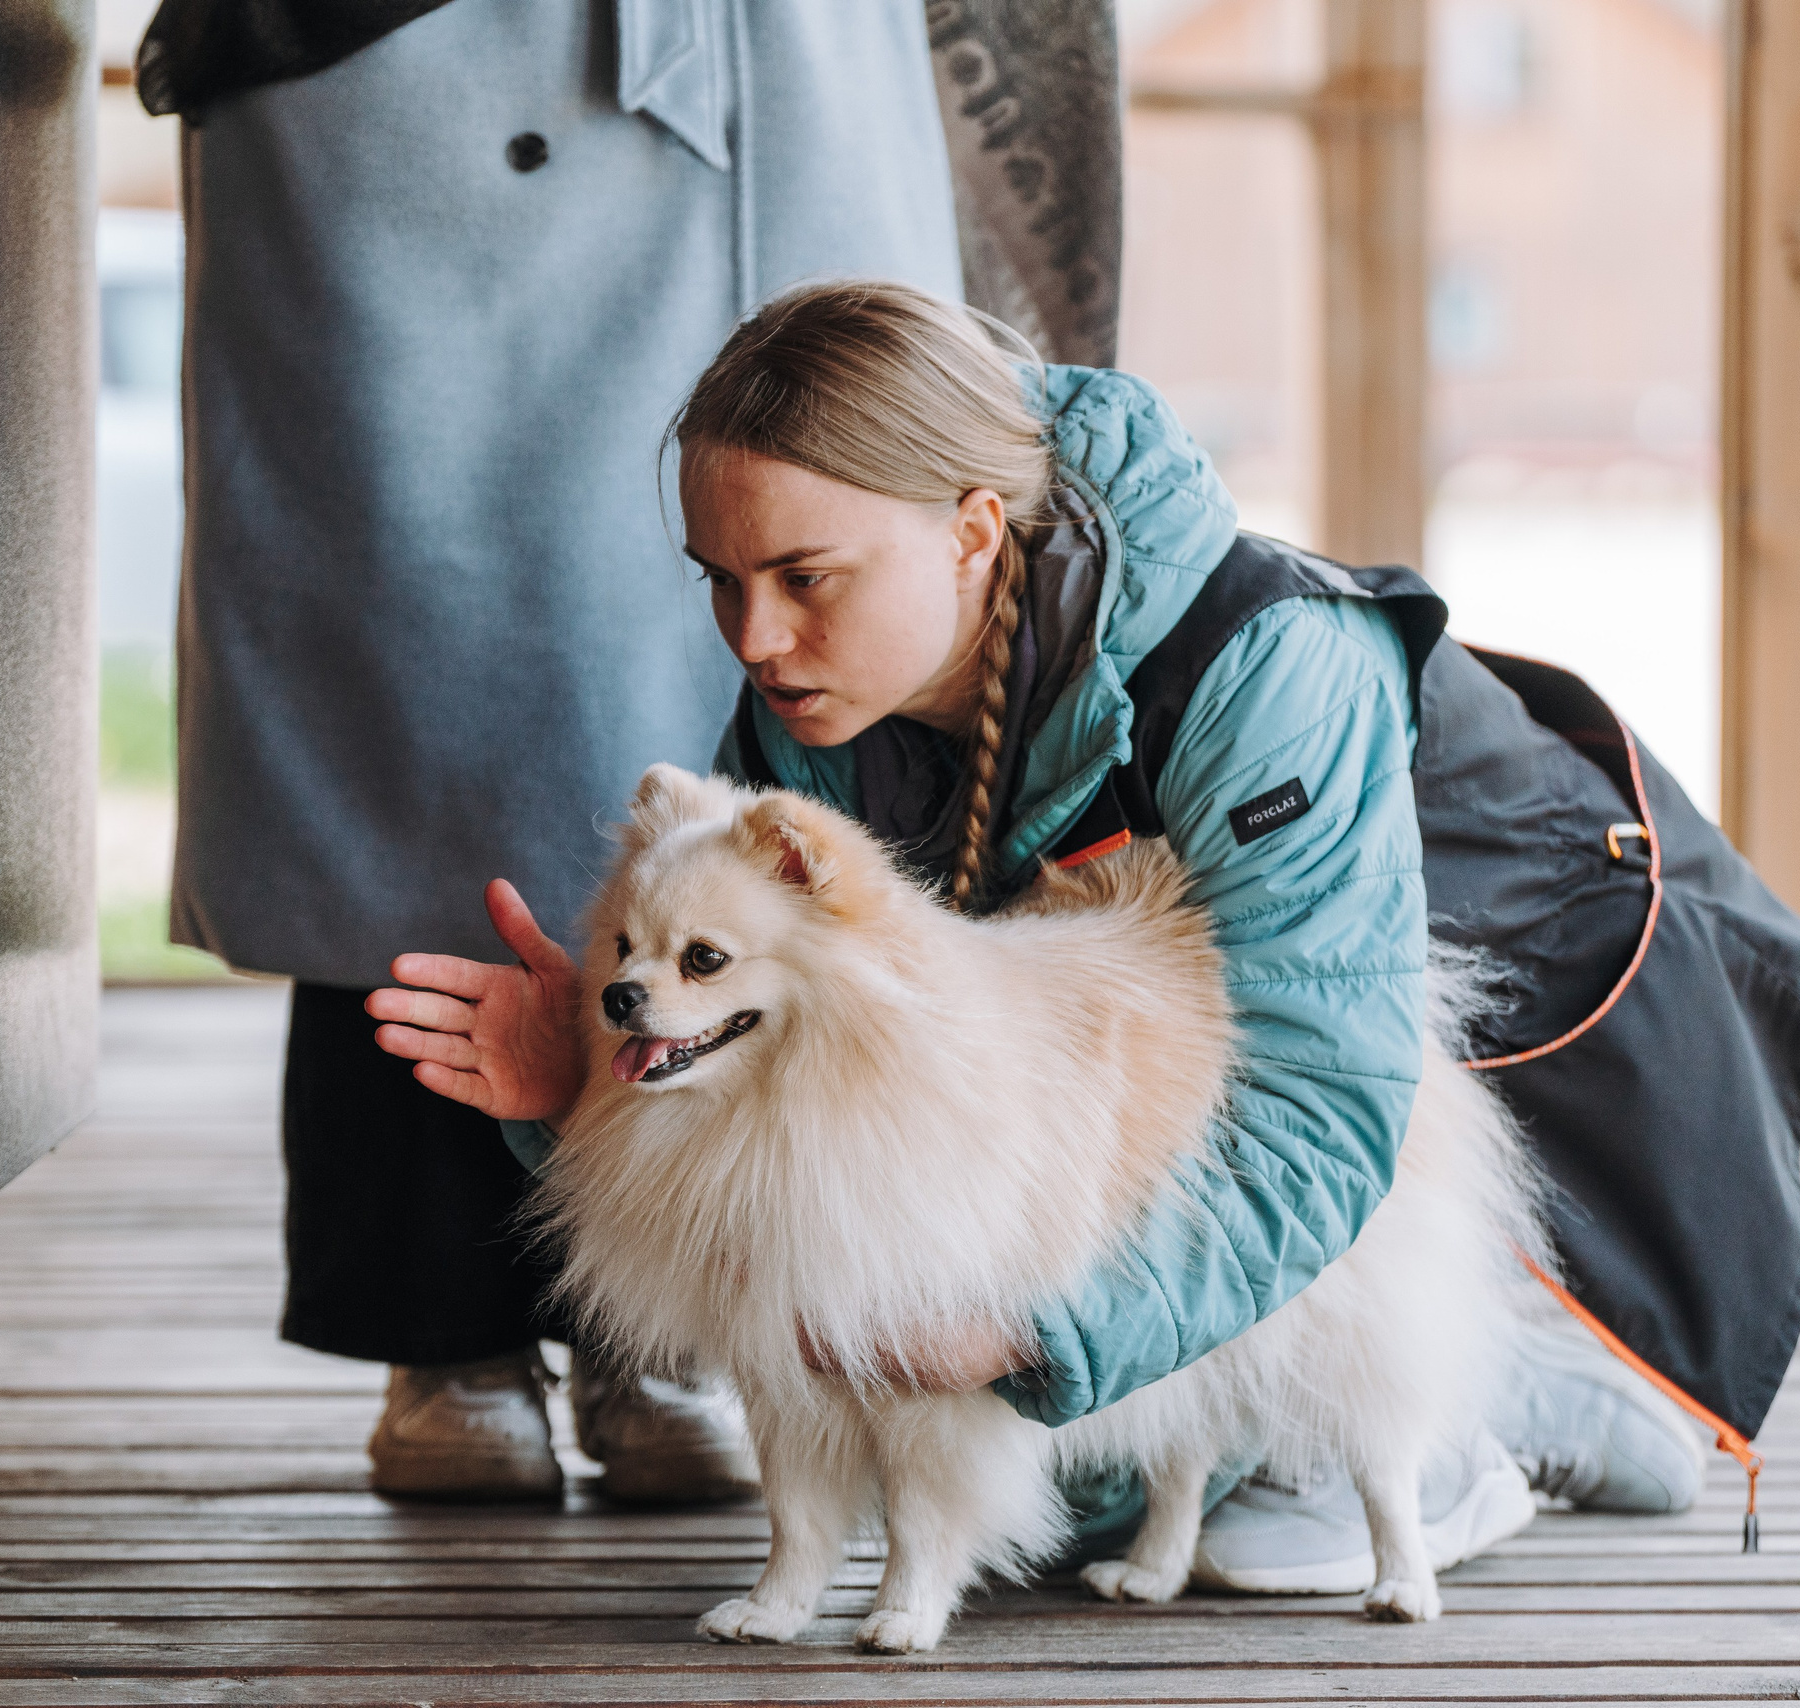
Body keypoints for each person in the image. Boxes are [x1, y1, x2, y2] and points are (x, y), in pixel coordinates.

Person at [369, 280, 1707, 1589]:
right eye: (722, 579)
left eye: (804, 575)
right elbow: (849, 1118)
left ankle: (1501, 1395)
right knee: (1035, 1502)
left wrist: (1035, 1333)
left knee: (1215, 1499)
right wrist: (596, 1099)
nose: (758, 637)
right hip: (1128, 1124)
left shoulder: (1272, 674)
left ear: (967, 532)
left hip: (1501, 1050)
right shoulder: (813, 711)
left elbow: (1325, 1108)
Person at [151, 2, 980, 1503]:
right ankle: (442, 1326)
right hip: (423, 67)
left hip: (778, 76)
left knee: (763, 628)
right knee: (420, 669)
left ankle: (665, 1310)